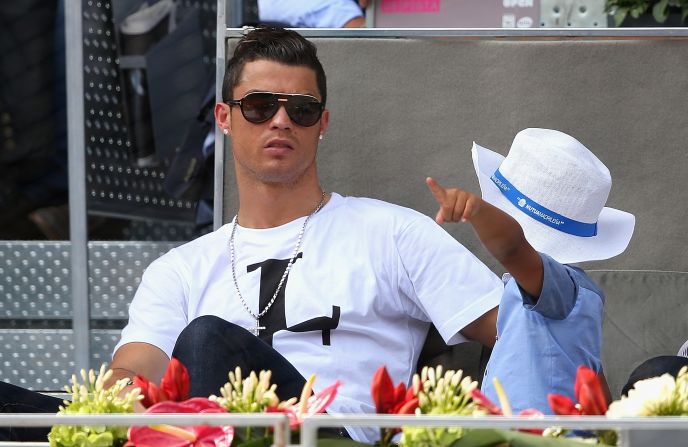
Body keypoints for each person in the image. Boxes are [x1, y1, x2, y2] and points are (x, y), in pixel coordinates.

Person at [105, 26, 502, 443]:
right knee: (31, 404)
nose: (280, 120)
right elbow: (131, 371)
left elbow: (512, 331)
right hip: (214, 430)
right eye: (259, 107)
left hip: (335, 434)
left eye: (302, 109)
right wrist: (124, 397)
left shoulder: (393, 233)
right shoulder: (179, 270)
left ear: (322, 123)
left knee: (207, 339)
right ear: (225, 118)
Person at [426, 128, 636, 414]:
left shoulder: (560, 285)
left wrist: (475, 209)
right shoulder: (577, 295)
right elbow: (591, 373)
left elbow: (512, 248)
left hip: (537, 433)